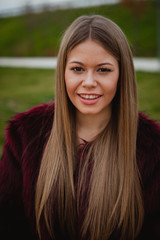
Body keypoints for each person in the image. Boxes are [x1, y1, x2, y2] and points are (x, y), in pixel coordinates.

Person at [0, 15, 160, 240]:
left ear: (122, 74)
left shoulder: (152, 148)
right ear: (63, 72)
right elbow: (8, 224)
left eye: (103, 70)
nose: (89, 82)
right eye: (77, 69)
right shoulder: (25, 135)